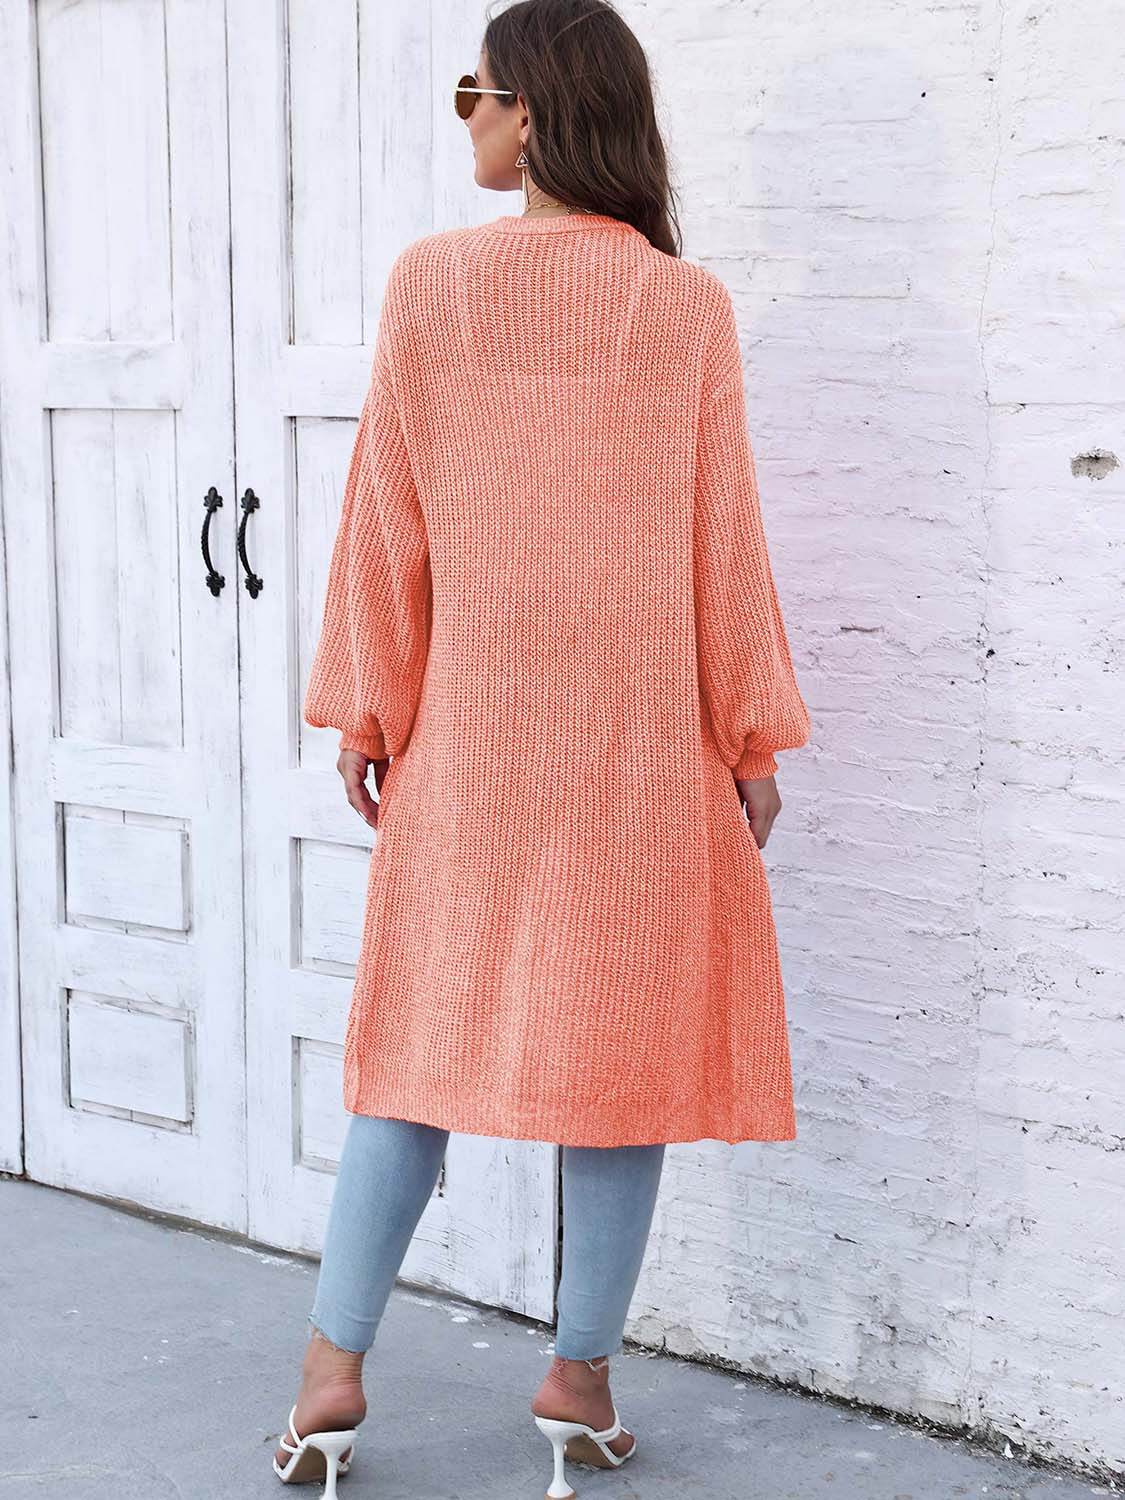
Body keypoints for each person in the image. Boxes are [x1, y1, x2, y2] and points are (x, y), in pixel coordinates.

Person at [273, 1, 812, 1494]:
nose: (467, 120)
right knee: (619, 1067)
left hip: (474, 752)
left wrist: (370, 709)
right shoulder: (682, 308)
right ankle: (577, 1378)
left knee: (412, 1054)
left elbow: (387, 523)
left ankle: (329, 1373)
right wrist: (747, 740)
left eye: (476, 95)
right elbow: (723, 549)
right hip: (639, 761)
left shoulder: (431, 288)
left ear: (532, 113)